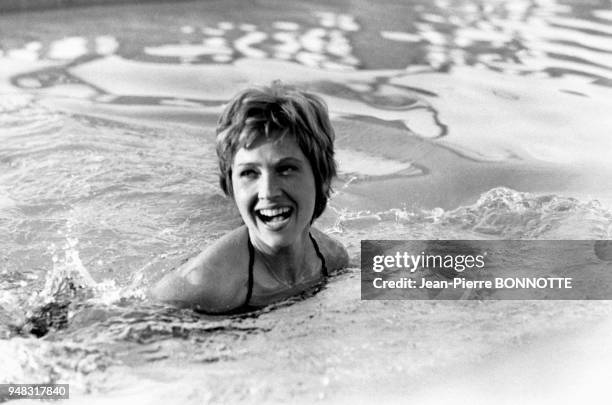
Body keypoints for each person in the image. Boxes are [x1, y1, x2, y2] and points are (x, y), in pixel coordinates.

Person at [152, 82, 349, 314]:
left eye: (285, 169)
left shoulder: (334, 259)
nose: (268, 191)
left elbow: (396, 283)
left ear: (322, 177)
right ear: (231, 186)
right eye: (249, 173)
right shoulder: (201, 288)